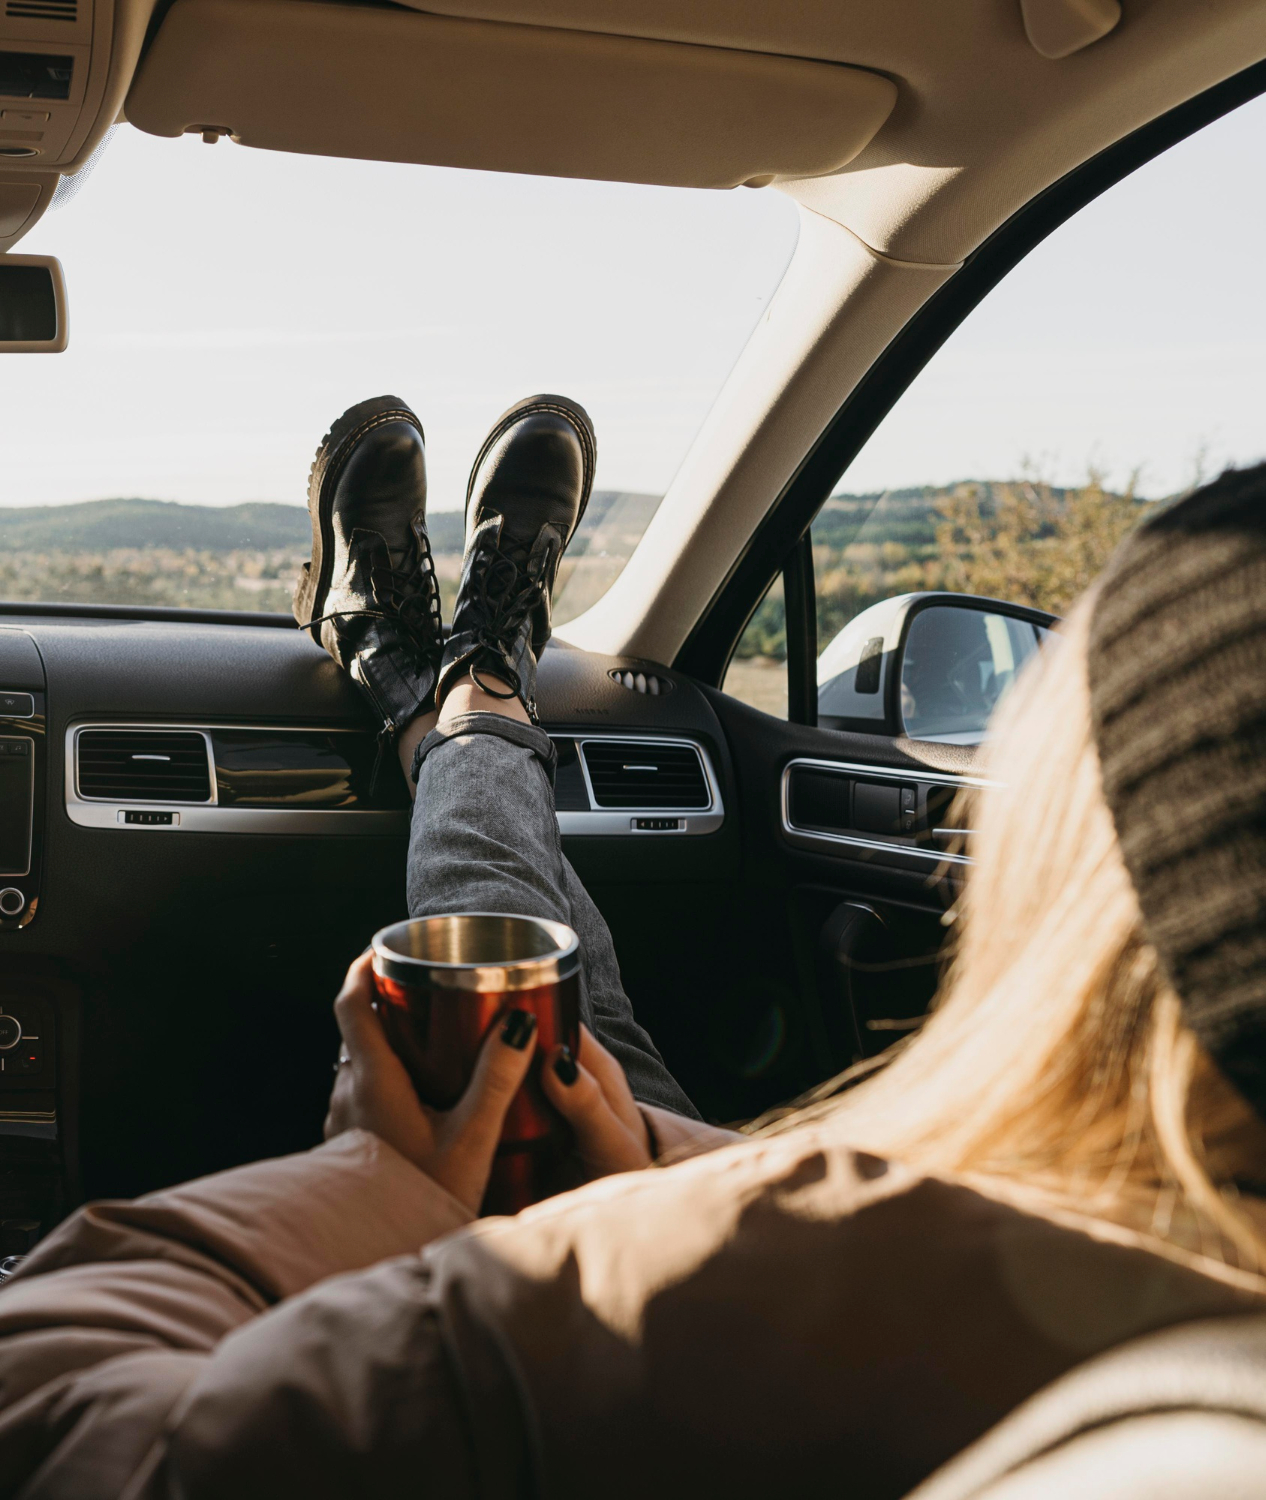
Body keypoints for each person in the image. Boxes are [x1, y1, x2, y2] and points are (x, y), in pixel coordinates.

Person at [1, 432, 1266, 1500]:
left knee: (494, 957)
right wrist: (677, 1160)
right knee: (549, 997)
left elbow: (46, 1407)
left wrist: (384, 1183)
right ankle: (469, 688)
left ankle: (444, 691)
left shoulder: (677, 1303)